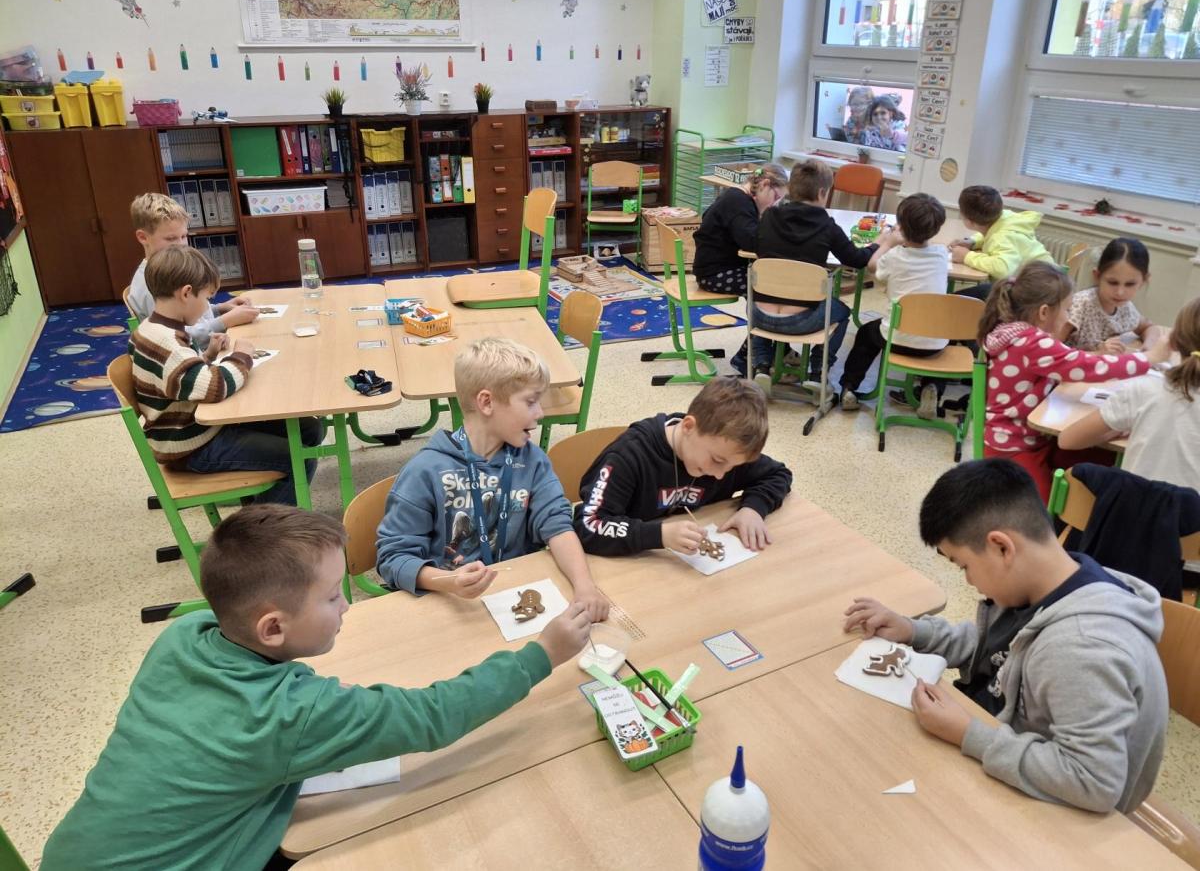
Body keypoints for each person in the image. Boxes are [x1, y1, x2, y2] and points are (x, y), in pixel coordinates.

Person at [41, 504, 593, 870]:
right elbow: (432, 715)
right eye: (332, 596)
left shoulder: (184, 635)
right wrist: (542, 654)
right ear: (272, 628)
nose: (347, 605)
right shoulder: (291, 716)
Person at [843, 458, 1167, 815]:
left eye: (963, 566)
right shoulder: (1048, 581)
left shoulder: (1082, 647)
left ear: (1001, 547)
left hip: (1054, 805)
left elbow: (1093, 782)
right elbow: (1001, 649)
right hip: (1003, 746)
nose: (968, 580)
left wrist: (969, 734)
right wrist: (913, 630)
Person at [376, 337, 609, 619]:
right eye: (531, 402)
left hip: (514, 596)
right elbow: (393, 558)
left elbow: (557, 527)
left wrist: (585, 587)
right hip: (447, 604)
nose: (540, 413)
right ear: (486, 402)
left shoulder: (532, 461)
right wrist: (448, 581)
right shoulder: (425, 471)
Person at [129, 244, 322, 504]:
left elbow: (179, 379)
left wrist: (207, 356)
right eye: (206, 298)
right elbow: (215, 387)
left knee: (308, 428)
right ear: (186, 293)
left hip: (196, 429)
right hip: (191, 445)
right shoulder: (167, 343)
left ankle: (259, 505)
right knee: (301, 458)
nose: (207, 307)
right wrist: (241, 356)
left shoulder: (153, 328)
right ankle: (265, 526)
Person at [977, 261, 1169, 501]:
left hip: (1029, 437)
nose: (1069, 316)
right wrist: (1150, 358)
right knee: (1041, 509)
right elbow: (1087, 367)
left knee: (1096, 459)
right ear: (1044, 312)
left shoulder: (1019, 334)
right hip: (1014, 445)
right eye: (1067, 310)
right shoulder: (1032, 342)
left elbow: (1073, 361)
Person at [573, 376, 792, 556]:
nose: (720, 475)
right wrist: (658, 535)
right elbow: (588, 525)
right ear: (688, 426)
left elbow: (778, 474)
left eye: (733, 466)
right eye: (717, 461)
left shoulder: (726, 453)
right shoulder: (629, 455)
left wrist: (753, 508)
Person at [752, 160, 883, 381]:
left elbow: (758, 249)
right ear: (822, 193)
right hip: (802, 320)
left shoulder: (769, 216)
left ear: (791, 188)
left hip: (758, 315)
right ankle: (818, 371)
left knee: (768, 293)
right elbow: (857, 260)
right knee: (842, 312)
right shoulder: (826, 226)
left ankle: (762, 366)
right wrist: (879, 244)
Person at [1060, 296, 1200, 492]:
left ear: (1173, 341)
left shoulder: (1144, 389)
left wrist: (1116, 428)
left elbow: (1067, 440)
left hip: (1131, 508)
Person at [839, 192, 948, 416]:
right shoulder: (941, 255)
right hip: (934, 344)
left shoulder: (895, 256)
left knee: (866, 334)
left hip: (895, 340)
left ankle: (849, 387)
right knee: (946, 341)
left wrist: (888, 241)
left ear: (902, 227)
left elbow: (872, 266)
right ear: (937, 229)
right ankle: (930, 388)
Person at [688, 163, 788, 378]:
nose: (775, 204)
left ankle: (776, 350)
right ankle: (750, 355)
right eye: (776, 197)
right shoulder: (738, 203)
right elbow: (752, 242)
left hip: (720, 267)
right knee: (769, 290)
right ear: (765, 185)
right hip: (715, 273)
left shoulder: (738, 199)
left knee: (772, 287)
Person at [125, 193, 258, 349]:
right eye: (171, 239)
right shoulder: (151, 284)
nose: (181, 245)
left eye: (184, 236)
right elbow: (175, 337)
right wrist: (224, 321)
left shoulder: (171, 268)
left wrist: (219, 308)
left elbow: (183, 311)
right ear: (143, 237)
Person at [1061, 237, 1166, 354]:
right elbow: (1052, 352)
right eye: (1113, 282)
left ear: (1144, 280)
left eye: (1130, 284)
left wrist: (1148, 348)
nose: (1120, 292)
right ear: (1097, 276)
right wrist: (1098, 353)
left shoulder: (1125, 307)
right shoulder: (1080, 305)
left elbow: (1149, 327)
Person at [950, 186, 1053, 302]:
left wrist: (967, 256)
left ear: (969, 221)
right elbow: (990, 232)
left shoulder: (1001, 237)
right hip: (1048, 281)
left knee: (960, 300)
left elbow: (1003, 269)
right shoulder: (1005, 217)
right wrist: (972, 242)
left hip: (1039, 292)